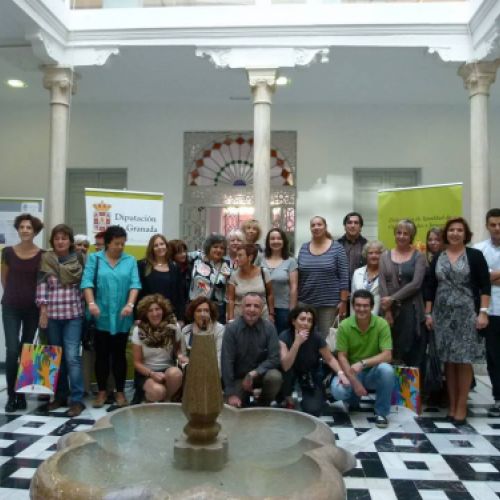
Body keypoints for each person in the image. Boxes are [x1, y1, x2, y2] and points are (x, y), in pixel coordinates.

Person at [426, 217, 490, 424]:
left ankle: (462, 406)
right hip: (442, 316)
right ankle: (452, 405)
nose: (455, 233)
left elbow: (485, 286)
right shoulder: (439, 256)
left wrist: (483, 312)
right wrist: (428, 314)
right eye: (451, 230)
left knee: (463, 361)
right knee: (449, 362)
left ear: (465, 234)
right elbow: (430, 287)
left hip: (466, 315)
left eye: (459, 230)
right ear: (447, 233)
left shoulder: (475, 255)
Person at [81, 225, 141, 408]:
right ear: (107, 243)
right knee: (101, 356)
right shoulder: (95, 259)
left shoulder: (130, 260)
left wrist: (130, 304)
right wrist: (91, 304)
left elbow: (135, 285)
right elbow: (87, 283)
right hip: (101, 316)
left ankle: (120, 392)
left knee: (120, 355)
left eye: (123, 243)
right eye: (117, 243)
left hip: (122, 317)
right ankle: (101, 392)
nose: (120, 247)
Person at [36, 224, 85, 417]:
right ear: (52, 241)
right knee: (57, 357)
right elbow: (41, 286)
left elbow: (85, 286)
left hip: (73, 315)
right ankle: (60, 396)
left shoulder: (79, 258)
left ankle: (77, 400)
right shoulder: (46, 259)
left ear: (70, 241)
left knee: (72, 357)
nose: (60, 241)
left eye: (64, 238)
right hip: (53, 316)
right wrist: (43, 311)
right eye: (57, 238)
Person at [331, 290, 394, 428]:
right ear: (353, 306)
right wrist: (354, 381)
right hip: (352, 372)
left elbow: (387, 355)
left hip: (373, 373)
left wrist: (363, 363)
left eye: (365, 305)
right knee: (338, 390)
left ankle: (381, 412)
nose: (361, 309)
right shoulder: (345, 325)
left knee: (387, 370)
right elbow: (342, 357)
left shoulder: (381, 324)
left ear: (371, 307)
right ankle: (353, 401)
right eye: (358, 305)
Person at [1, 213, 44, 413]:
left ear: (35, 231)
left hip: (32, 310)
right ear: (18, 229)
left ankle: (22, 393)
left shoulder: (43, 254)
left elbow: (43, 283)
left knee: (26, 351)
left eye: (29, 227)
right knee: (11, 350)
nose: (25, 230)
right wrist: (13, 295)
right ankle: (11, 395)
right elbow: (4, 279)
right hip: (10, 307)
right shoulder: (7, 252)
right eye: (22, 227)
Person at [279, 305, 349, 416]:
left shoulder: (316, 337)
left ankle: (320, 395)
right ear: (293, 321)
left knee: (313, 410)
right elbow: (286, 365)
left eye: (309, 320)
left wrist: (341, 373)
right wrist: (297, 343)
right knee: (284, 374)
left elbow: (330, 359)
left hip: (309, 375)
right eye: (302, 319)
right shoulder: (284, 336)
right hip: (290, 374)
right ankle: (286, 396)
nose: (306, 323)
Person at [379, 219, 427, 366]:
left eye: (406, 233)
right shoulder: (385, 256)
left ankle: (409, 389)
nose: (401, 236)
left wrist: (392, 298)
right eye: (398, 233)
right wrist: (387, 310)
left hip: (411, 309)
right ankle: (392, 387)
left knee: (410, 349)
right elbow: (382, 283)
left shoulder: (419, 256)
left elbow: (416, 284)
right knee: (391, 348)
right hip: (389, 310)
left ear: (411, 236)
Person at [221, 293, 282, 408]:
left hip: (261, 375)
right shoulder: (231, 329)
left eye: (256, 306)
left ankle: (263, 405)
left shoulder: (269, 328)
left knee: (275, 377)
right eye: (248, 305)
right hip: (239, 378)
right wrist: (230, 394)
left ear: (262, 309)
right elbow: (226, 362)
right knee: (232, 408)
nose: (252, 309)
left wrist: (253, 373)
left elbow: (274, 358)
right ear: (241, 308)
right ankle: (245, 401)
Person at [297, 216, 349, 339]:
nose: (316, 227)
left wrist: (343, 302)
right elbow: (299, 275)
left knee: (326, 339)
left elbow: (344, 277)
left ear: (325, 227)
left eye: (319, 224)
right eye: (313, 225)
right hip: (305, 302)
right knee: (305, 338)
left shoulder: (337, 248)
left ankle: (326, 359)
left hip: (329, 304)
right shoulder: (304, 248)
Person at [131, 294, 185, 403]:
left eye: (157, 309)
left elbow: (177, 351)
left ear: (163, 310)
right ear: (145, 313)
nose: (155, 313)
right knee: (158, 391)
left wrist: (180, 356)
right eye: (150, 310)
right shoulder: (138, 330)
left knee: (176, 374)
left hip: (167, 368)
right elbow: (137, 363)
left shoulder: (173, 327)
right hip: (146, 371)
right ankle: (150, 398)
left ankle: (166, 402)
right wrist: (152, 374)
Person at [475, 209, 500, 418]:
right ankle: (498, 399)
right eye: (493, 224)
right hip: (490, 311)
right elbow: (480, 279)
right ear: (487, 225)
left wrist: (491, 276)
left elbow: (487, 277)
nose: (497, 228)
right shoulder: (479, 250)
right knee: (494, 357)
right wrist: (488, 278)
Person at [138, 234, 185, 323]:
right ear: (151, 249)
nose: (160, 247)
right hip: (149, 315)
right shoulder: (142, 265)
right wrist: (138, 316)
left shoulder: (175, 267)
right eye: (156, 245)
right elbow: (139, 292)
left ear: (166, 246)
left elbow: (180, 295)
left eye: (162, 244)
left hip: (169, 315)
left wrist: (180, 317)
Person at [189, 233, 231, 324]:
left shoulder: (227, 265)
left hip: (217, 310)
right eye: (215, 247)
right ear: (208, 247)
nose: (219, 250)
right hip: (196, 307)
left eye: (222, 248)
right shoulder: (196, 257)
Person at [263, 228, 298, 334]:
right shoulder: (261, 260)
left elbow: (294, 287)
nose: (275, 241)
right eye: (272, 239)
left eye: (279, 238)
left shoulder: (291, 261)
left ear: (284, 241)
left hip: (284, 308)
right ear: (268, 242)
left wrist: (292, 310)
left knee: (282, 338)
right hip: (263, 307)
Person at [227, 243, 274, 321]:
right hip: (240, 318)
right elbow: (231, 299)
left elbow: (270, 294)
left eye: (240, 255)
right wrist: (231, 319)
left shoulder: (263, 272)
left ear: (250, 257)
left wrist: (271, 314)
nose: (236, 258)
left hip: (262, 317)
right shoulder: (234, 275)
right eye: (236, 256)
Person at [182, 296, 225, 370]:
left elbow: (219, 360)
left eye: (206, 310)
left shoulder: (219, 329)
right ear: (193, 314)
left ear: (210, 313)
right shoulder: (186, 330)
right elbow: (183, 357)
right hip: (190, 371)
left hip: (212, 372)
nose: (203, 314)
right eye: (199, 311)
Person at [351, 241, 384, 316]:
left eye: (377, 253)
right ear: (366, 255)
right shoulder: (357, 272)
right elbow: (353, 297)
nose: (374, 256)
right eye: (370, 253)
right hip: (358, 315)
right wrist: (352, 318)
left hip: (379, 316)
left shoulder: (386, 273)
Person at [338, 212, 368, 282]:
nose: (352, 225)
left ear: (360, 227)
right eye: (349, 222)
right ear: (345, 226)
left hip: (361, 286)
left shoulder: (367, 245)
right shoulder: (336, 245)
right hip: (340, 286)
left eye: (356, 223)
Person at [169, 239, 191, 303]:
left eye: (184, 251)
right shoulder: (168, 269)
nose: (184, 254)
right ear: (172, 254)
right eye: (180, 252)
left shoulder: (189, 269)